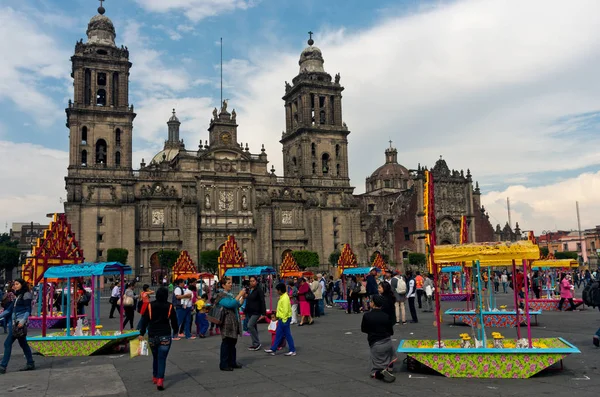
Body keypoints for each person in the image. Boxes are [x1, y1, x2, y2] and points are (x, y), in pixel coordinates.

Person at [138, 287, 179, 391]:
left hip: (152, 334)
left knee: (155, 357)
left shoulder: (150, 305)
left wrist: (141, 333)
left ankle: (155, 376)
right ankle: (160, 379)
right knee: (162, 358)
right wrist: (175, 331)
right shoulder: (169, 306)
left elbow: (144, 320)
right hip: (165, 334)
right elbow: (174, 320)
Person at [0, 279, 35, 374]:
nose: (15, 286)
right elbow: (9, 310)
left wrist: (23, 321)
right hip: (15, 323)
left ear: (22, 284)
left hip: (19, 323)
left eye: (17, 284)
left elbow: (28, 310)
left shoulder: (26, 295)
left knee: (7, 343)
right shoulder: (18, 296)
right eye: (14, 284)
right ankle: (30, 363)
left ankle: (3, 366)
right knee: (23, 343)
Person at [360, 294, 395, 383]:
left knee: (374, 371)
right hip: (388, 343)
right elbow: (391, 332)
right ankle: (389, 367)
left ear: (373, 303)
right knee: (389, 355)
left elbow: (364, 329)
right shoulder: (386, 316)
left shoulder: (367, 316)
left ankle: (380, 373)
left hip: (376, 343)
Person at [214, 277, 246, 371]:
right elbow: (231, 304)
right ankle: (224, 364)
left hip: (233, 321)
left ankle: (232, 361)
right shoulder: (221, 296)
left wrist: (242, 298)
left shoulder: (230, 295)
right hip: (226, 322)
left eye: (231, 283)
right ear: (223, 285)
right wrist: (239, 294)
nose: (231, 284)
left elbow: (237, 304)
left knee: (233, 342)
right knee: (226, 342)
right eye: (228, 283)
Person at [264, 283, 296, 356]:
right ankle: (273, 349)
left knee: (287, 335)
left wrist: (284, 320)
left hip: (284, 319)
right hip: (282, 318)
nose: (276, 291)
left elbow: (285, 310)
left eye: (277, 290)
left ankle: (292, 350)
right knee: (278, 334)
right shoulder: (283, 297)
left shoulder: (284, 298)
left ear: (280, 290)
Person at [245, 276, 266, 351]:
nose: (252, 282)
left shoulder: (259, 290)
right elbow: (248, 301)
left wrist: (264, 313)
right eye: (250, 281)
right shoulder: (250, 290)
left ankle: (257, 343)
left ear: (256, 281)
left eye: (253, 281)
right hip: (250, 311)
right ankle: (255, 344)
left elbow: (262, 301)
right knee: (254, 327)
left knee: (250, 326)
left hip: (256, 311)